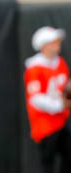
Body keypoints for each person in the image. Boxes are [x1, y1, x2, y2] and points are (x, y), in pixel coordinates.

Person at [24, 26, 71, 173]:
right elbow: (35, 98)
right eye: (54, 42)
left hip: (61, 121)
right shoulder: (34, 68)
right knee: (48, 162)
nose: (57, 45)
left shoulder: (60, 63)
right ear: (44, 45)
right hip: (44, 125)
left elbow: (65, 87)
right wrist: (59, 105)